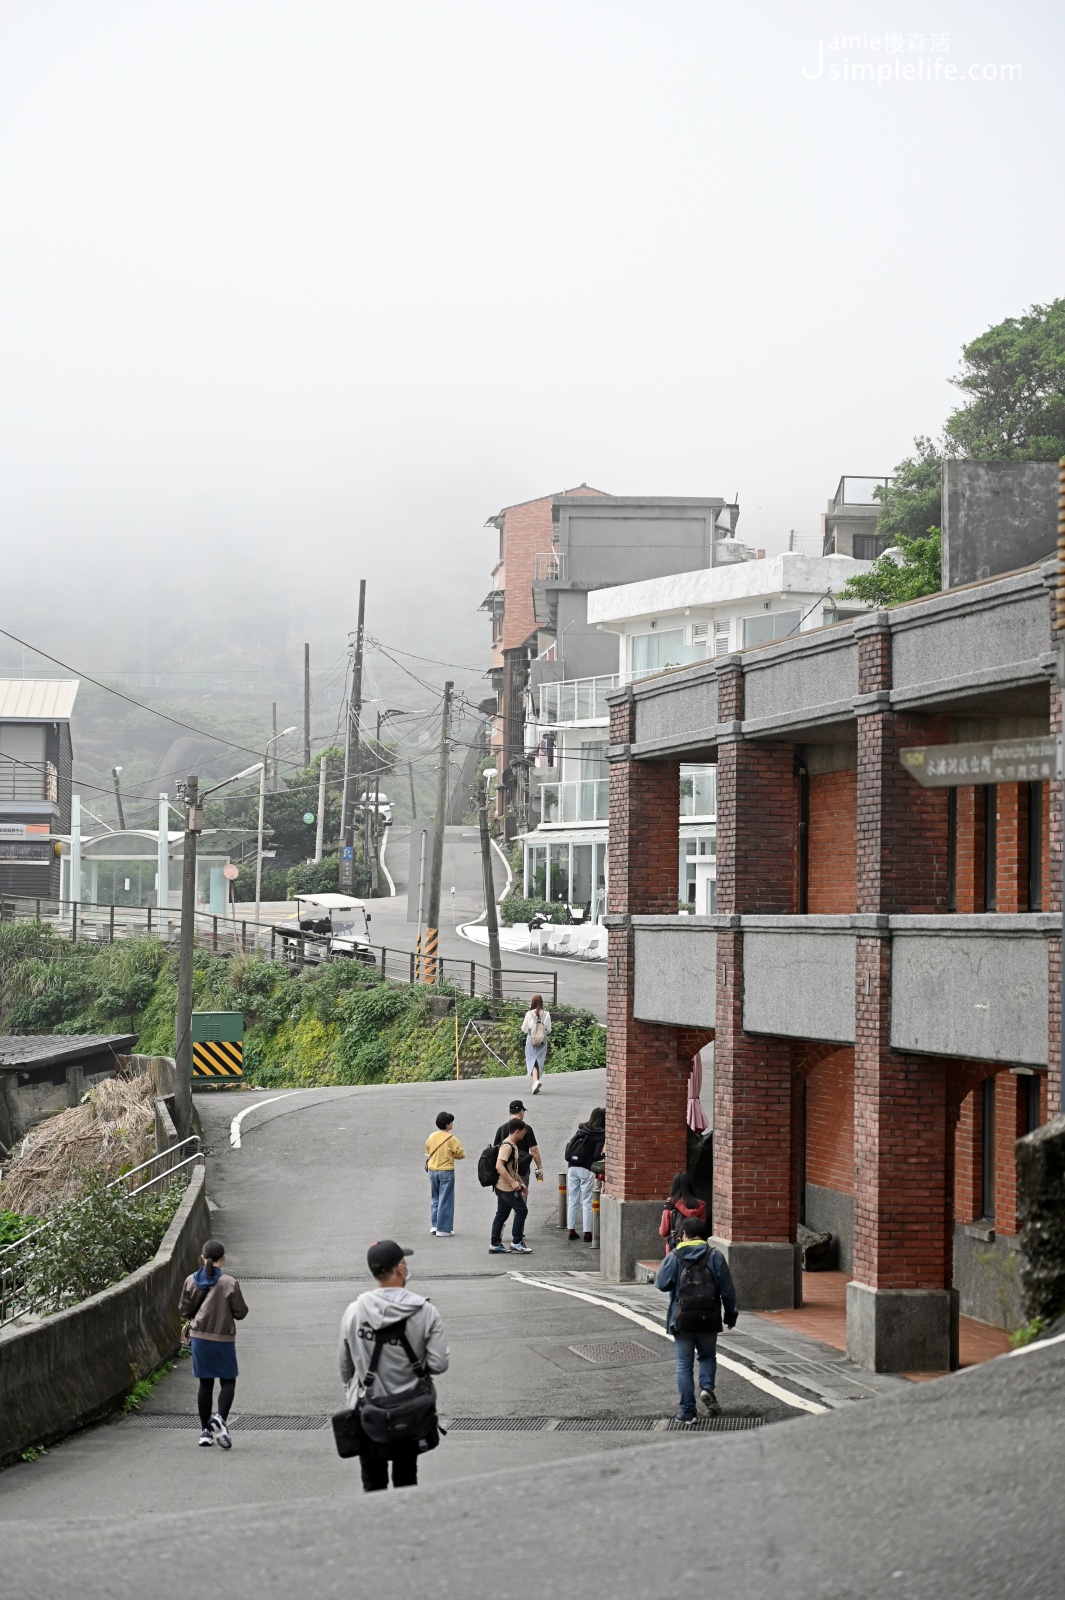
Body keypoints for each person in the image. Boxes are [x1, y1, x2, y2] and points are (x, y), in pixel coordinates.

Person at [338, 1239, 450, 1493]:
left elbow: (345, 1366)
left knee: (373, 1482)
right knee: (406, 1479)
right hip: (411, 1412)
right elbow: (439, 1363)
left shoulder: (354, 1312)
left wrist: (352, 1391)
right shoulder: (425, 1311)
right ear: (400, 1269)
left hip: (369, 1411)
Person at [655, 1215, 737, 1424]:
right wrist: (730, 1315)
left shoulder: (675, 1255)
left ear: (684, 1234)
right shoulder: (715, 1256)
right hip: (709, 1317)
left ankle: (687, 1412)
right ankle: (707, 1388)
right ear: (704, 1234)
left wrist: (674, 1253)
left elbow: (662, 1284)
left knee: (684, 1365)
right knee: (707, 1356)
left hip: (682, 1319)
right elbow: (727, 1290)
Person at [178, 1239, 249, 1449]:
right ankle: (220, 1419)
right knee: (228, 1381)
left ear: (202, 1257)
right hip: (223, 1339)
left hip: (199, 1339)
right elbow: (241, 1312)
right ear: (223, 1259)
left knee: (205, 1383)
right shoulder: (229, 1283)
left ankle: (205, 1432)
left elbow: (183, 1310)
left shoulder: (191, 1281)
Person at [489, 1119, 531, 1255]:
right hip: (505, 1187)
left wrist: (520, 1182)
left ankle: (495, 1244)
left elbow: (512, 1168)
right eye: (524, 1131)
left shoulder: (512, 1145)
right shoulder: (507, 1146)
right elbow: (499, 1166)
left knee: (502, 1214)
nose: (525, 1133)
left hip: (505, 1186)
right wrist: (513, 1183)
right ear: (517, 1131)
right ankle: (516, 1242)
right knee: (521, 1210)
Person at [565, 1106, 606, 1242]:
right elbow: (595, 1155)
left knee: (573, 1199)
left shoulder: (581, 1129)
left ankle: (571, 1230)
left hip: (572, 1167)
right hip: (586, 1168)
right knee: (587, 1200)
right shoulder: (600, 1134)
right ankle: (587, 1233)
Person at [425, 1111, 465, 1237]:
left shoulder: (432, 1136)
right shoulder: (452, 1139)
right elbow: (461, 1154)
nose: (452, 1124)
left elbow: (427, 1148)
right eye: (451, 1122)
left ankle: (435, 1225)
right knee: (446, 1199)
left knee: (435, 1198)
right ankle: (443, 1229)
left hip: (432, 1170)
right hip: (446, 1170)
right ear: (447, 1125)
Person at [493, 1098, 543, 1191]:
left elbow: (495, 1149)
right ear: (521, 1112)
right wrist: (539, 1168)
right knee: (521, 1197)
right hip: (521, 1169)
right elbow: (534, 1150)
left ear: (510, 1112)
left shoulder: (501, 1129)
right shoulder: (526, 1128)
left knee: (506, 1198)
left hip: (504, 1170)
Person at [660, 1170, 707, 1253]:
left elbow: (663, 1232)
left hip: (675, 1248)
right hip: (697, 1249)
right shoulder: (700, 1205)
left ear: (674, 1187)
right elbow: (702, 1227)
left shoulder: (670, 1204)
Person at [521, 993, 551, 1093]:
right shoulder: (547, 1014)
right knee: (539, 1061)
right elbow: (549, 1030)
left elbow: (524, 1029)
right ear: (542, 1002)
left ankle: (535, 1082)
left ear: (532, 1002)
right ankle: (536, 1081)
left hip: (531, 1041)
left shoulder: (529, 1014)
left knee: (531, 1060)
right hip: (542, 1041)